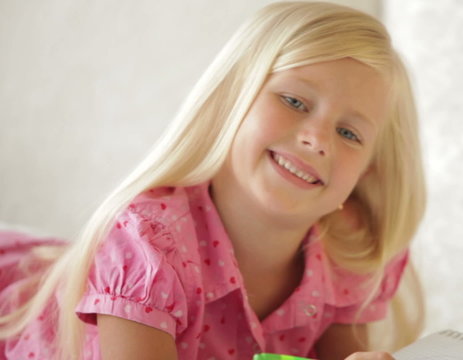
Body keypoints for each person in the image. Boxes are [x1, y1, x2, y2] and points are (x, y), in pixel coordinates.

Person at [0, 2, 426, 359]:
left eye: (349, 133)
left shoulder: (348, 251)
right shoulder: (150, 246)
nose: (316, 139)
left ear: (367, 170)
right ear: (232, 100)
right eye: (294, 101)